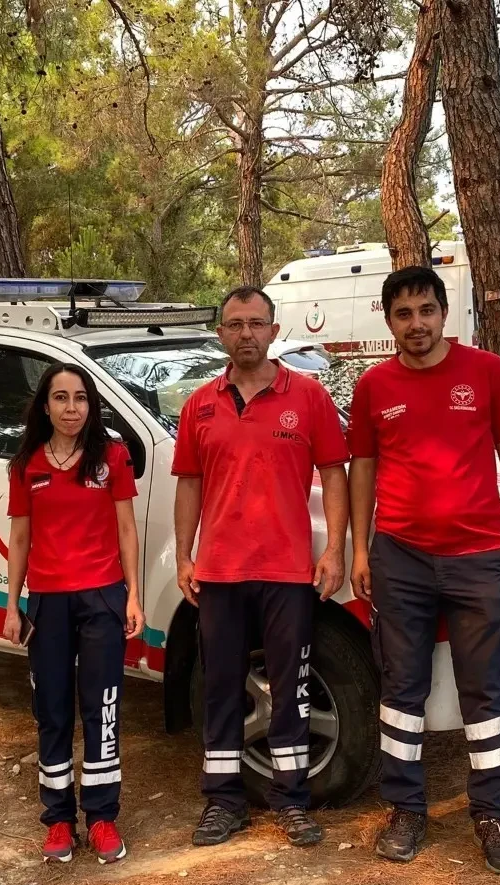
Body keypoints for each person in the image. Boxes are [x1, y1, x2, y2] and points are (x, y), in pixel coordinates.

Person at [348, 265, 500, 875]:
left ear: (444, 312)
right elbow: (363, 470)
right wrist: (360, 549)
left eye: (426, 310)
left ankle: (493, 812)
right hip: (399, 557)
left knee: (486, 690)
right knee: (402, 690)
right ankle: (405, 808)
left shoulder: (487, 371)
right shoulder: (374, 385)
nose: (416, 324)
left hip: (479, 556)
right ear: (388, 321)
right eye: (403, 314)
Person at [173, 286, 350, 848]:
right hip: (221, 572)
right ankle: (223, 801)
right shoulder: (199, 403)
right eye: (234, 324)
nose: (245, 333)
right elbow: (189, 485)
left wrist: (335, 549)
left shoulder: (310, 397)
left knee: (290, 687)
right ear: (220, 334)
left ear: (275, 331)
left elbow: (336, 473)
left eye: (256, 323)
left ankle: (291, 799)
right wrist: (184, 554)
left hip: (287, 572)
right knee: (221, 686)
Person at [3, 362, 145, 866]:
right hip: (48, 603)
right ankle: (59, 819)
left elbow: (127, 529)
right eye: (61, 398)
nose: (71, 408)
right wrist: (13, 605)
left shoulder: (112, 457)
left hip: (102, 598)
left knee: (102, 709)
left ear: (91, 404)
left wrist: (133, 596)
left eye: (80, 398)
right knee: (53, 711)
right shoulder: (27, 465)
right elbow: (20, 537)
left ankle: (103, 818)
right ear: (45, 405)